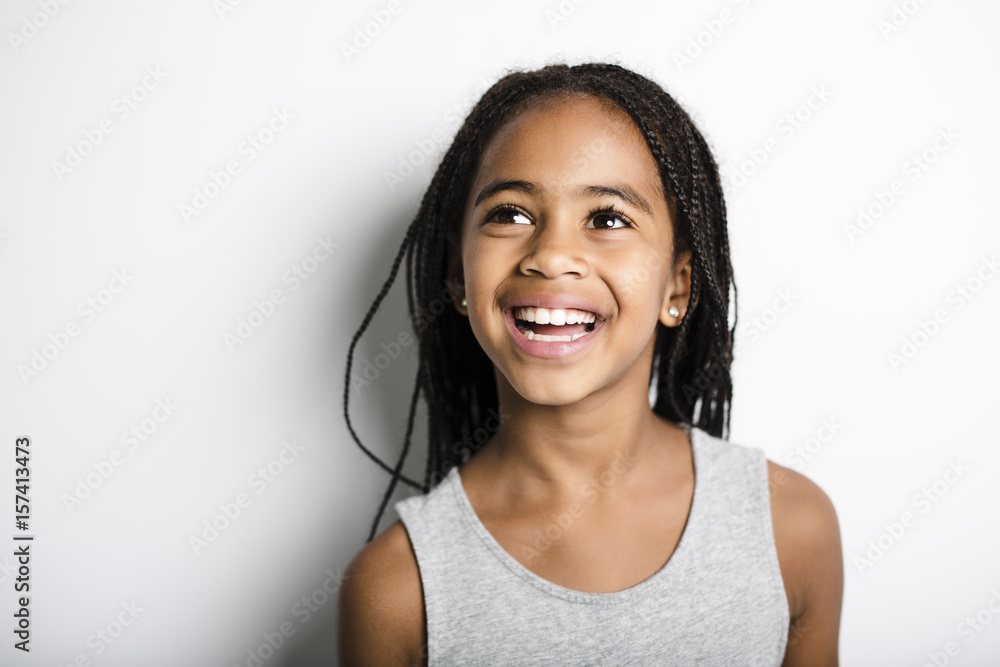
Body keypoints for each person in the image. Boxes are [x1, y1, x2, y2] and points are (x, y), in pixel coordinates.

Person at [337, 62, 843, 666]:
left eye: (607, 219)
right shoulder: (396, 589)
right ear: (458, 275)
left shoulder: (789, 527)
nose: (551, 255)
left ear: (677, 288)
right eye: (510, 213)